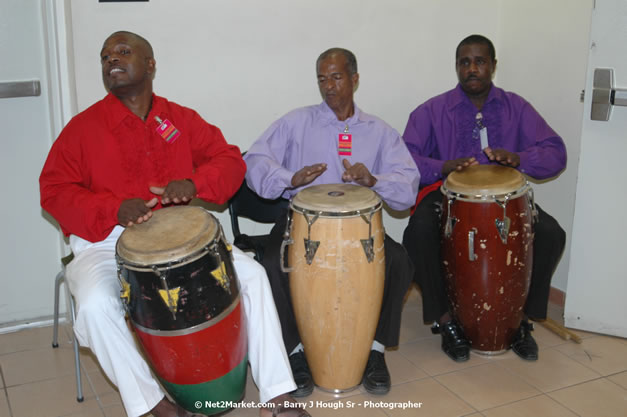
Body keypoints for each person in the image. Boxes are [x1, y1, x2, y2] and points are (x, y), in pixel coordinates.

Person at [39, 31, 310, 417]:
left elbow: (230, 160)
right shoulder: (82, 130)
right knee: (96, 306)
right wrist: (113, 208)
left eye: (122, 51)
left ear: (151, 65)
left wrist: (195, 184)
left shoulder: (178, 119)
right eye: (104, 56)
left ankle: (277, 396)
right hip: (105, 240)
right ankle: (153, 406)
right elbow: (53, 192)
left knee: (251, 277)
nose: (111, 60)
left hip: (184, 239)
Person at [244, 48, 420, 397]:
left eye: (336, 77)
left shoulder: (379, 131)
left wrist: (374, 181)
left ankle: (375, 351)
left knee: (399, 261)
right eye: (322, 78)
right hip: (301, 220)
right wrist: (290, 178)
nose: (328, 86)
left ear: (354, 79)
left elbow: (408, 186)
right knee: (271, 262)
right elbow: (254, 160)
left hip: (361, 226)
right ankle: (295, 354)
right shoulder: (297, 122)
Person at [402, 34, 567, 362]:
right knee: (417, 233)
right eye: (465, 62)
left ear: (492, 65)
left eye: (480, 61)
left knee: (550, 233)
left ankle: (520, 320)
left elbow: (555, 151)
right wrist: (443, 166)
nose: (472, 69)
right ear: (457, 68)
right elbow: (403, 160)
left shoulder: (515, 107)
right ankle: (445, 319)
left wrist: (519, 159)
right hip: (446, 194)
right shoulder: (433, 110)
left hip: (505, 200)